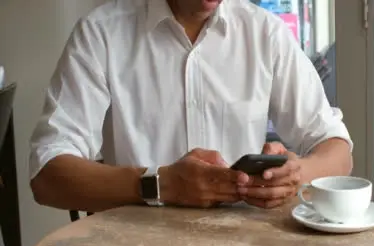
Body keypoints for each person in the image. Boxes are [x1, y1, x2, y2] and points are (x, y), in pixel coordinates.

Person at [29, 0, 353, 213]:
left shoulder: (265, 33)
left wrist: (296, 175)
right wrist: (161, 183)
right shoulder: (101, 33)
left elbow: (337, 152)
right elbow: (46, 177)